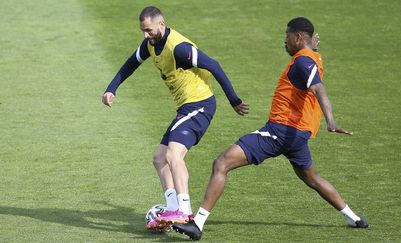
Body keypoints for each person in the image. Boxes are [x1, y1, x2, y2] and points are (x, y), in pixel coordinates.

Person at [172, 17, 368, 241]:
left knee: (222, 163)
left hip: (279, 131)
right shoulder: (312, 56)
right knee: (312, 178)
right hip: (298, 135)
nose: (284, 41)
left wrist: (330, 121)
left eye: (287, 36)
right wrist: (311, 48)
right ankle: (354, 218)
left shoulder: (303, 61)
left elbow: (318, 88)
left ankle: (197, 223)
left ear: (298, 37)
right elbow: (311, 68)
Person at [101, 6, 249, 232]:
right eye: (143, 30)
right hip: (185, 108)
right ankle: (171, 208)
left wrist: (234, 100)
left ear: (161, 24)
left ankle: (184, 209)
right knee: (159, 157)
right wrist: (111, 89)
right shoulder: (150, 45)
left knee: (173, 154)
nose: (145, 35)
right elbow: (131, 63)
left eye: (149, 30)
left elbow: (214, 65)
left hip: (200, 105)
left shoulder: (179, 49)